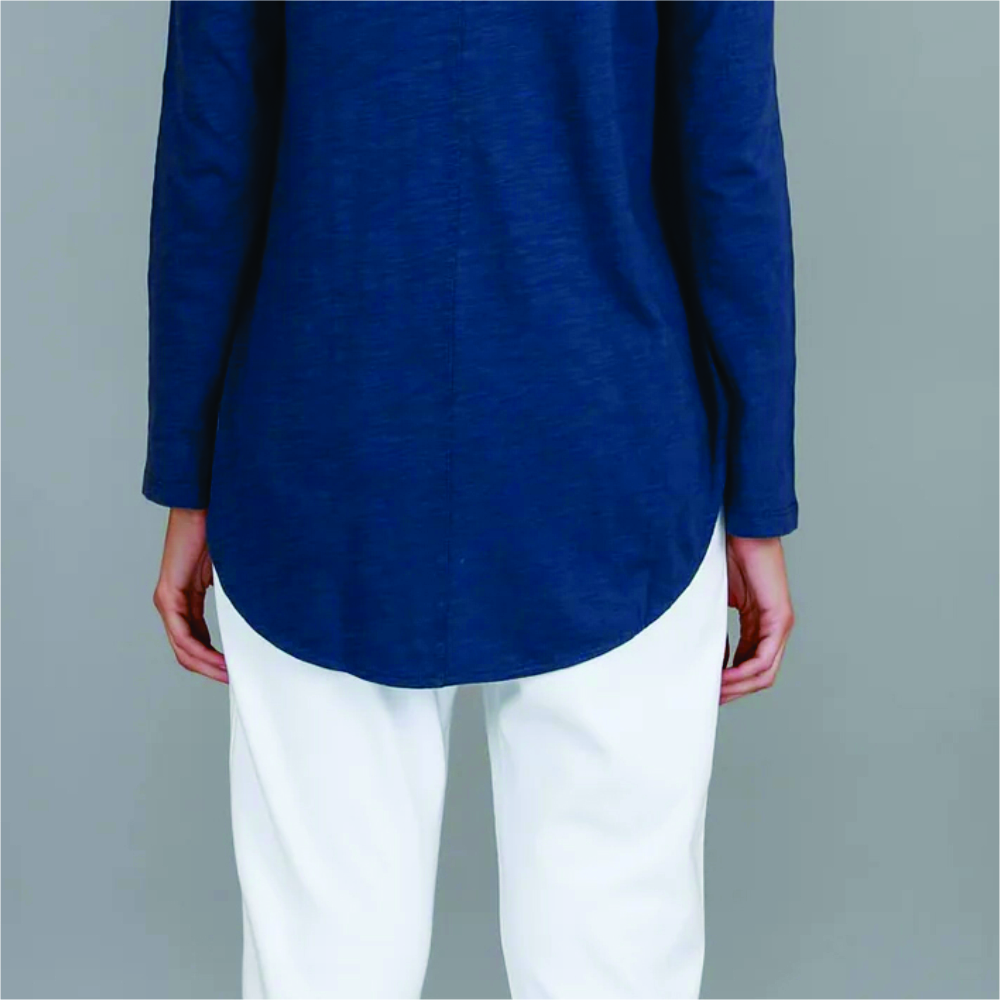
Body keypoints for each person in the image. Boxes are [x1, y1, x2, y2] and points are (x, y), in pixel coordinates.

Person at [142, 2, 798, 997]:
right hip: (611, 454)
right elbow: (728, 156)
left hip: (320, 457)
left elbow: (211, 149)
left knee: (323, 961)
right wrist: (756, 497)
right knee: (612, 959)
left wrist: (189, 476)